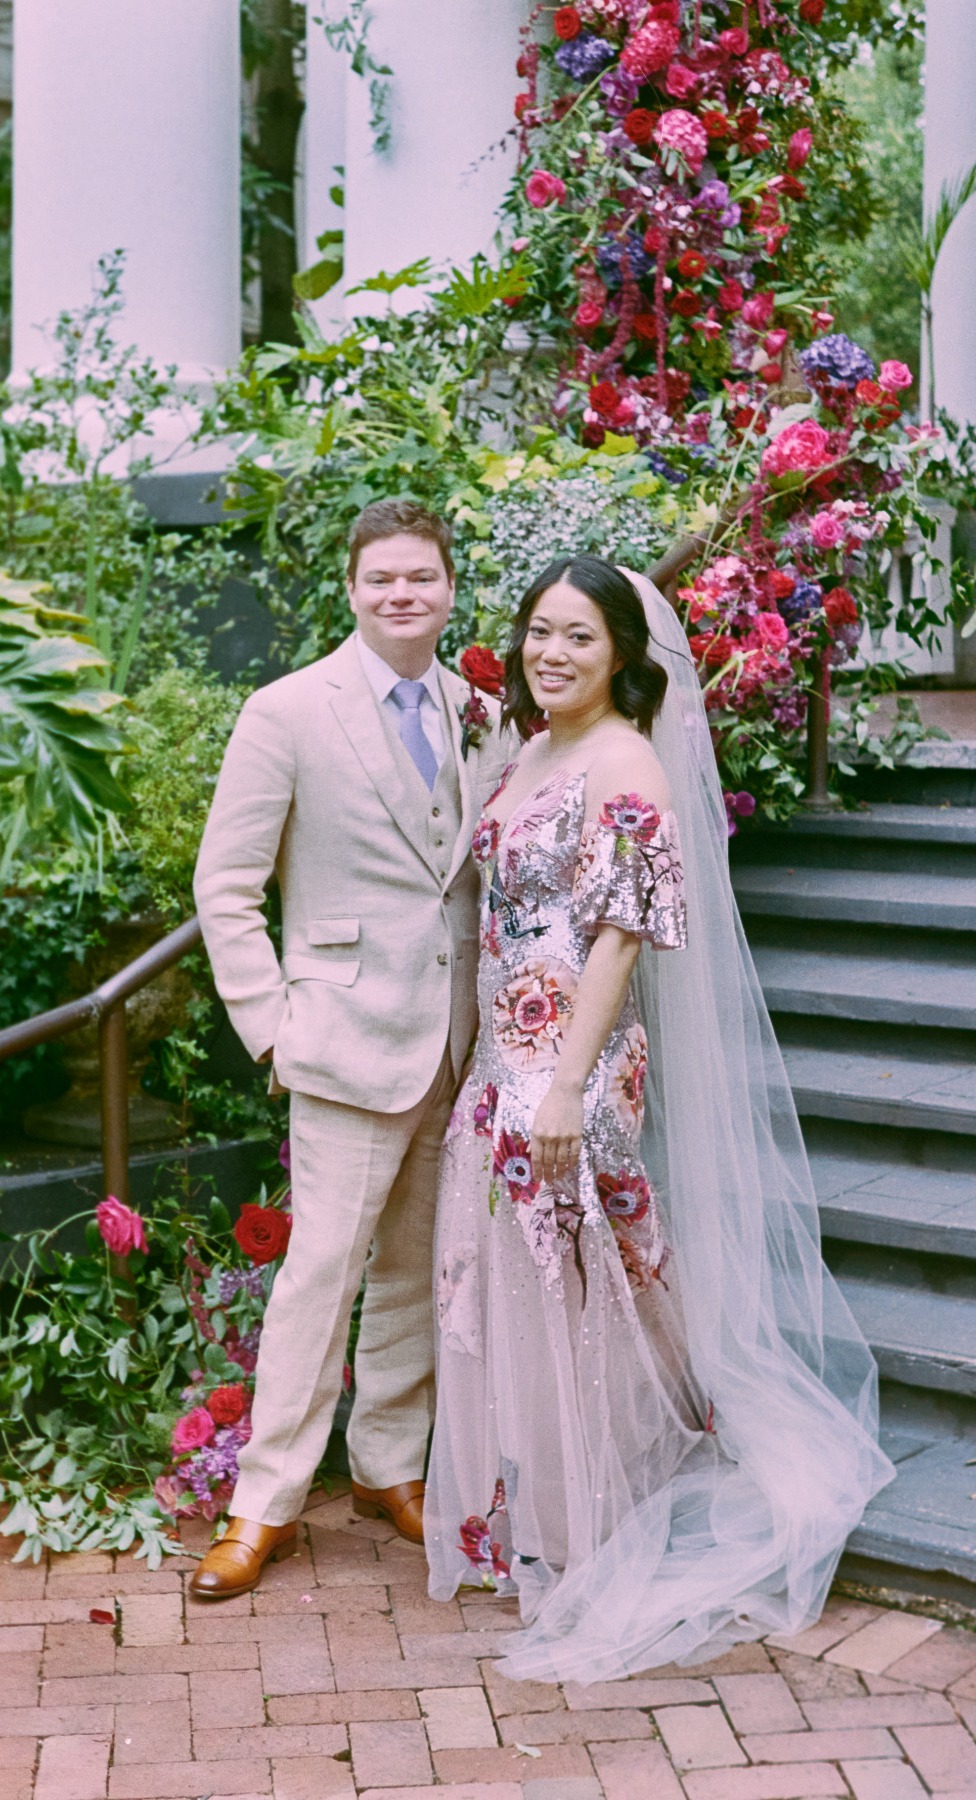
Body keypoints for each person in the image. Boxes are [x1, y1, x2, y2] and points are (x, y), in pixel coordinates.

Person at [425, 554, 893, 1681]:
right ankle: (536, 1521)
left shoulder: (628, 762)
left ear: (626, 656)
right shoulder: (534, 747)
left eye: (580, 636)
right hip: (502, 1058)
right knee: (515, 1292)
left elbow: (620, 936)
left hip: (567, 1068)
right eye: (540, 631)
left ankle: (585, 1539)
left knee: (570, 1293)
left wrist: (566, 1084)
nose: (551, 653)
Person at [191, 497, 510, 1599]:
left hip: (454, 1039)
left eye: (421, 577)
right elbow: (225, 888)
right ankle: (262, 1504)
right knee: (318, 1277)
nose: (402, 595)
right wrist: (269, 1026)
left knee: (418, 1268)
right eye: (382, 579)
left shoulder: (482, 709)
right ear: (351, 587)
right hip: (337, 1041)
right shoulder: (286, 712)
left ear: (448, 586)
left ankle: (385, 1465)